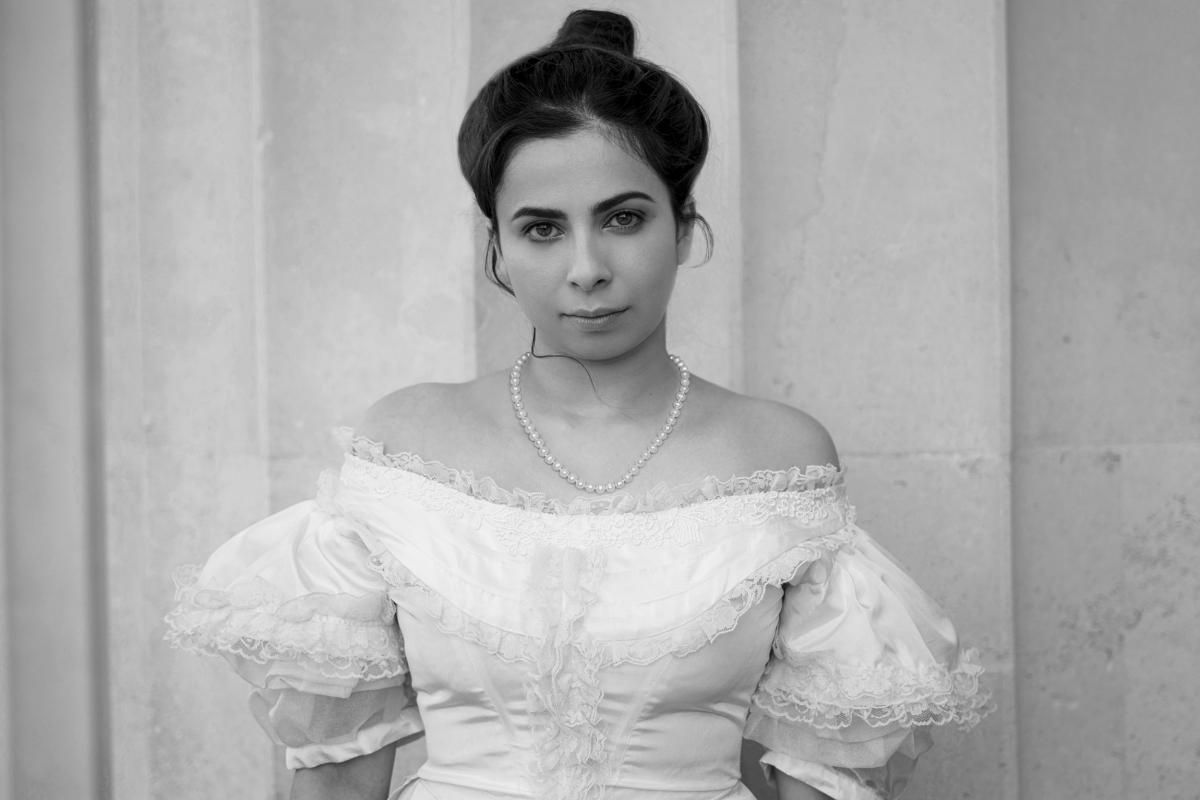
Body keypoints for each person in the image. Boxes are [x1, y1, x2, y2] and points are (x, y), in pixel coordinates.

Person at [166, 10, 990, 800]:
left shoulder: (779, 457)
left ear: (683, 223)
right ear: (497, 244)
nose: (587, 267)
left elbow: (827, 782)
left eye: (623, 218)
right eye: (542, 228)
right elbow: (339, 775)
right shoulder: (404, 446)